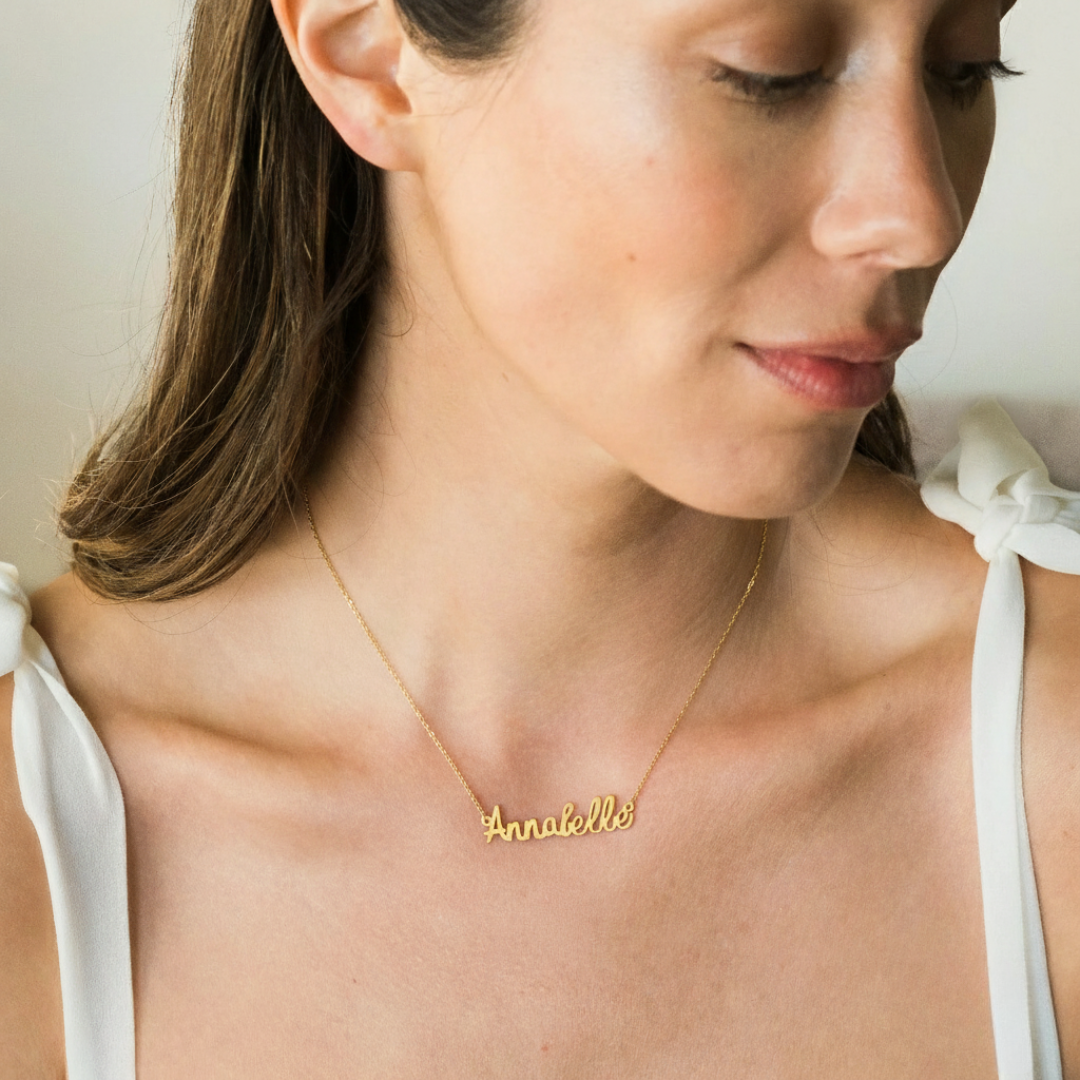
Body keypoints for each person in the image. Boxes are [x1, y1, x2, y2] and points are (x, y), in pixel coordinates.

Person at [1, 0, 1078, 1075]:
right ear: (371, 53)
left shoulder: (1048, 745)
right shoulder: (34, 834)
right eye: (771, 73)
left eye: (964, 68)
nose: (921, 217)